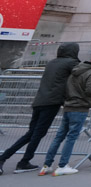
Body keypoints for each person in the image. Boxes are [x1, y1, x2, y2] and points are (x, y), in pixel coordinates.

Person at [0, 42, 80, 175]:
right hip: (51, 102)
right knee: (37, 134)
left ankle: (8, 157)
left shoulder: (52, 62)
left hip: (39, 101)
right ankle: (22, 161)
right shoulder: (71, 63)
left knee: (31, 133)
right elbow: (83, 71)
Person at [39, 49, 91, 176]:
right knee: (71, 137)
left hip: (68, 105)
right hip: (80, 107)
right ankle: (62, 165)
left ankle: (47, 165)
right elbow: (90, 91)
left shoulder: (75, 70)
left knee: (59, 136)